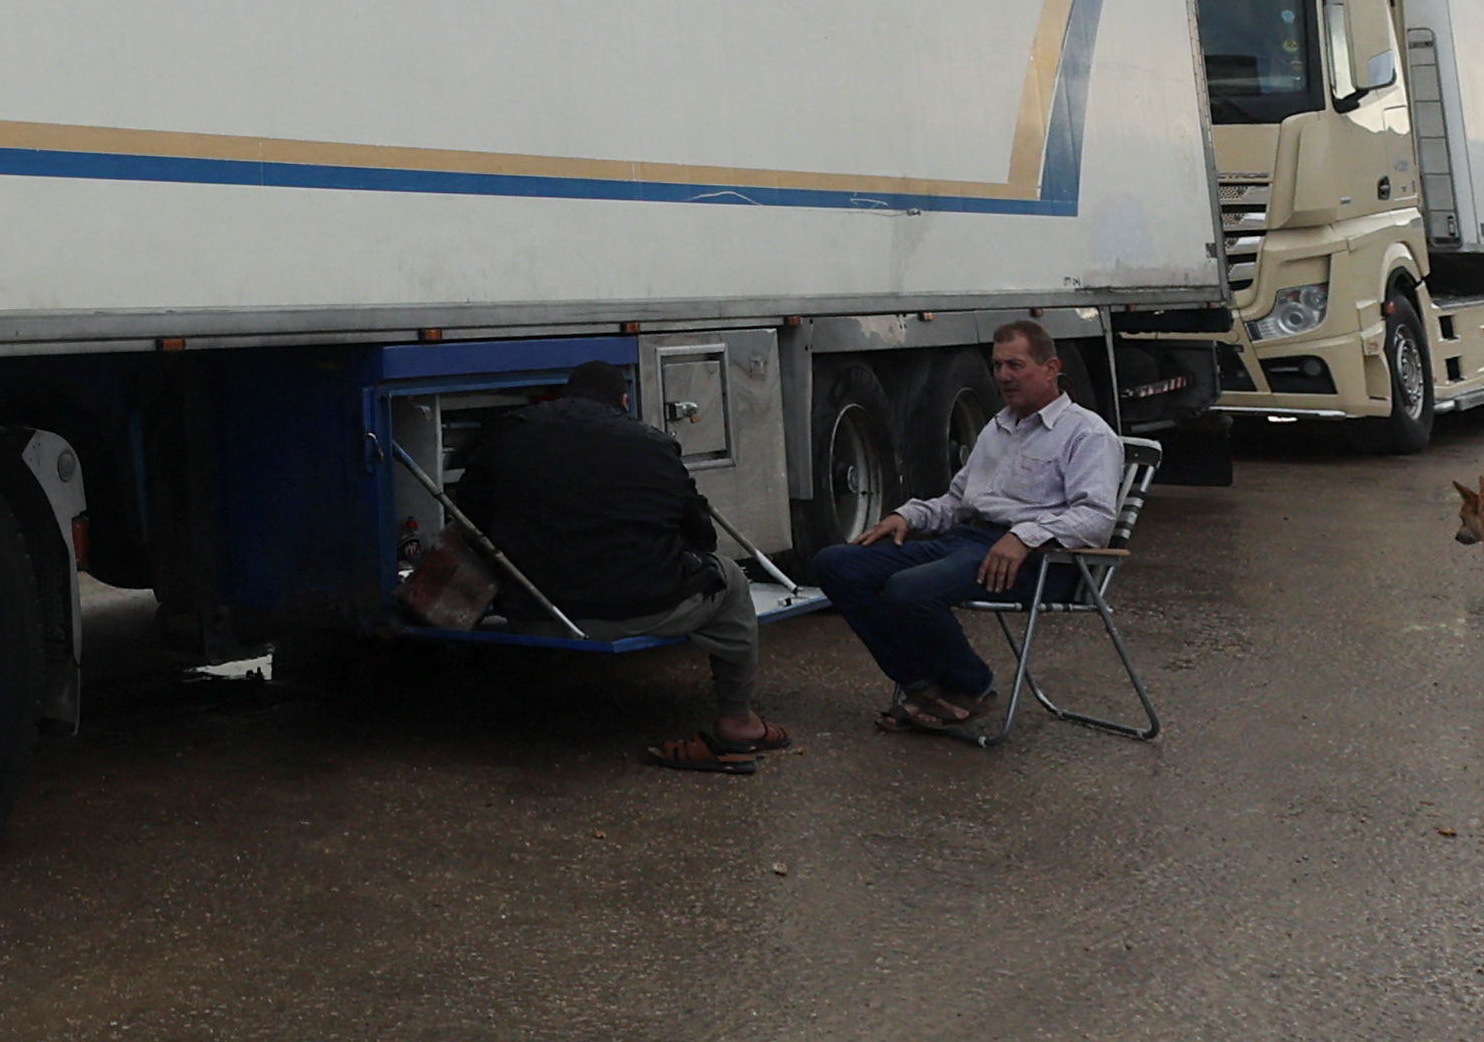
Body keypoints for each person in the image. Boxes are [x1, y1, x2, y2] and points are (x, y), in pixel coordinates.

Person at [457, 360, 795, 773]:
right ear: (623, 400)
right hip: (638, 610)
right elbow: (700, 537)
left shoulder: (508, 433)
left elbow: (470, 515)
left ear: (565, 395)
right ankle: (738, 721)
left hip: (534, 613)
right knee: (732, 582)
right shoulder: (651, 444)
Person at [809, 318, 1129, 738]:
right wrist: (909, 515)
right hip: (968, 542)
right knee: (837, 564)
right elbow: (957, 502)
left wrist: (1024, 536)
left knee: (910, 589)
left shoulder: (1088, 434)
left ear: (1051, 368)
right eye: (997, 366)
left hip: (1040, 561)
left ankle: (969, 685)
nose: (1003, 377)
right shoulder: (999, 426)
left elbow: (1097, 519)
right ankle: (924, 686)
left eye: (1015, 366)